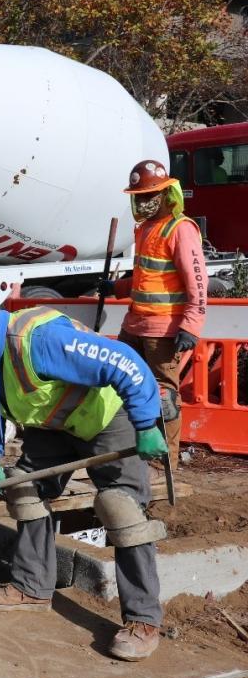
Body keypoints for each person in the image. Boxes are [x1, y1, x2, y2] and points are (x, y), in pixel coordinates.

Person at [0, 304, 169, 662]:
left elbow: (126, 362)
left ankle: (143, 621)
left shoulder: (38, 340)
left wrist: (146, 423)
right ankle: (32, 587)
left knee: (123, 511)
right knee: (24, 488)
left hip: (106, 416)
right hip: (54, 427)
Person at [101, 159, 206, 472]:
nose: (143, 202)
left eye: (149, 195)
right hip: (135, 324)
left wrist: (191, 325)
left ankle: (165, 464)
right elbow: (148, 276)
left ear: (165, 193)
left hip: (164, 330)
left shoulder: (180, 229)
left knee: (164, 397)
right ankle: (131, 453)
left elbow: (197, 283)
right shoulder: (146, 229)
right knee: (120, 385)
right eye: (139, 196)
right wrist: (117, 287)